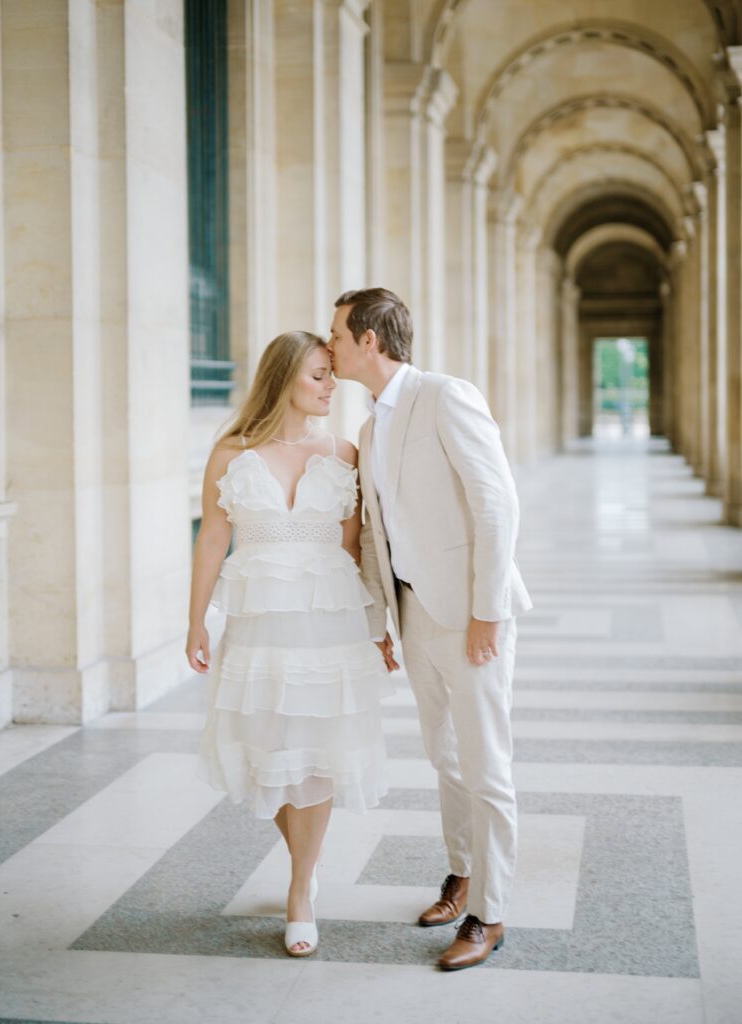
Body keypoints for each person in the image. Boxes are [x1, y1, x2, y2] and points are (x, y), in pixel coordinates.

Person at [328, 288, 532, 971]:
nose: (329, 347)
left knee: (487, 766)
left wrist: (488, 611)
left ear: (369, 342)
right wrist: (384, 616)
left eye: (336, 335)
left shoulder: (446, 396)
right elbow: (378, 536)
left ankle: (490, 913)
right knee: (446, 758)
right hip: (415, 612)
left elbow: (497, 503)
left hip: (470, 613)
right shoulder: (369, 430)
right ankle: (462, 874)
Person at [187, 331, 393, 958]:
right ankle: (301, 861)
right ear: (282, 380)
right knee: (269, 752)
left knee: (320, 752)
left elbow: (357, 548)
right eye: (318, 376)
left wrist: (377, 625)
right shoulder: (230, 452)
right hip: (258, 628)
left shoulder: (345, 452)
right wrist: (196, 621)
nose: (332, 386)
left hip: (327, 624)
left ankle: (301, 886)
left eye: (332, 375)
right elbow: (211, 542)